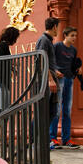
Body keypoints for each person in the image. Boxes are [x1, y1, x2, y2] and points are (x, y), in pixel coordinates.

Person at [34, 17, 64, 146]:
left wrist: (54, 71)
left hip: (49, 79)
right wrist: (50, 79)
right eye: (58, 27)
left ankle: (42, 139)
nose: (58, 30)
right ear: (54, 27)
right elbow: (40, 60)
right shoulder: (44, 40)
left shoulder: (47, 41)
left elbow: (46, 62)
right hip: (45, 82)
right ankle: (36, 140)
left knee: (52, 111)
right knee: (43, 112)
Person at [51, 27, 81, 148]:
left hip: (69, 80)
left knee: (67, 111)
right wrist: (55, 71)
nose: (74, 38)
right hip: (59, 80)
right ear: (65, 35)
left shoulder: (73, 50)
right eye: (72, 35)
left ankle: (66, 139)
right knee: (56, 110)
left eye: (75, 35)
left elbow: (73, 64)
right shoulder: (57, 46)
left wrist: (78, 69)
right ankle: (52, 138)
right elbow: (50, 61)